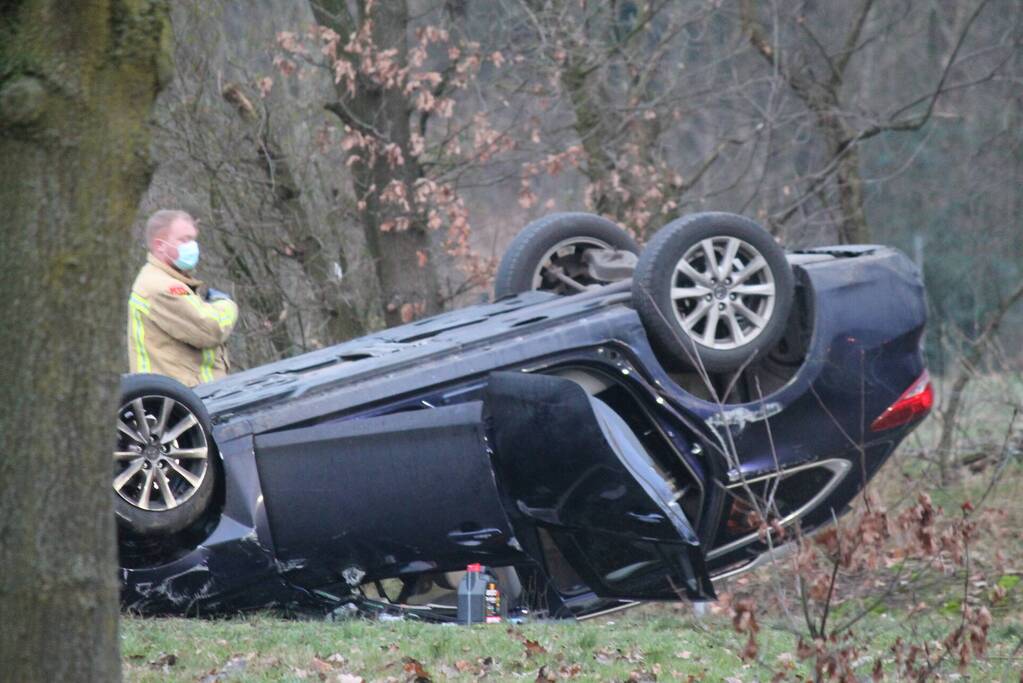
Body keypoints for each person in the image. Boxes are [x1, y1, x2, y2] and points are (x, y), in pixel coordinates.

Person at [127, 210, 238, 387]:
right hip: (179, 401)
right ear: (160, 245)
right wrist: (226, 305)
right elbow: (211, 329)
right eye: (184, 240)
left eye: (193, 239)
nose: (192, 246)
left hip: (189, 396)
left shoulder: (170, 280)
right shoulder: (161, 286)